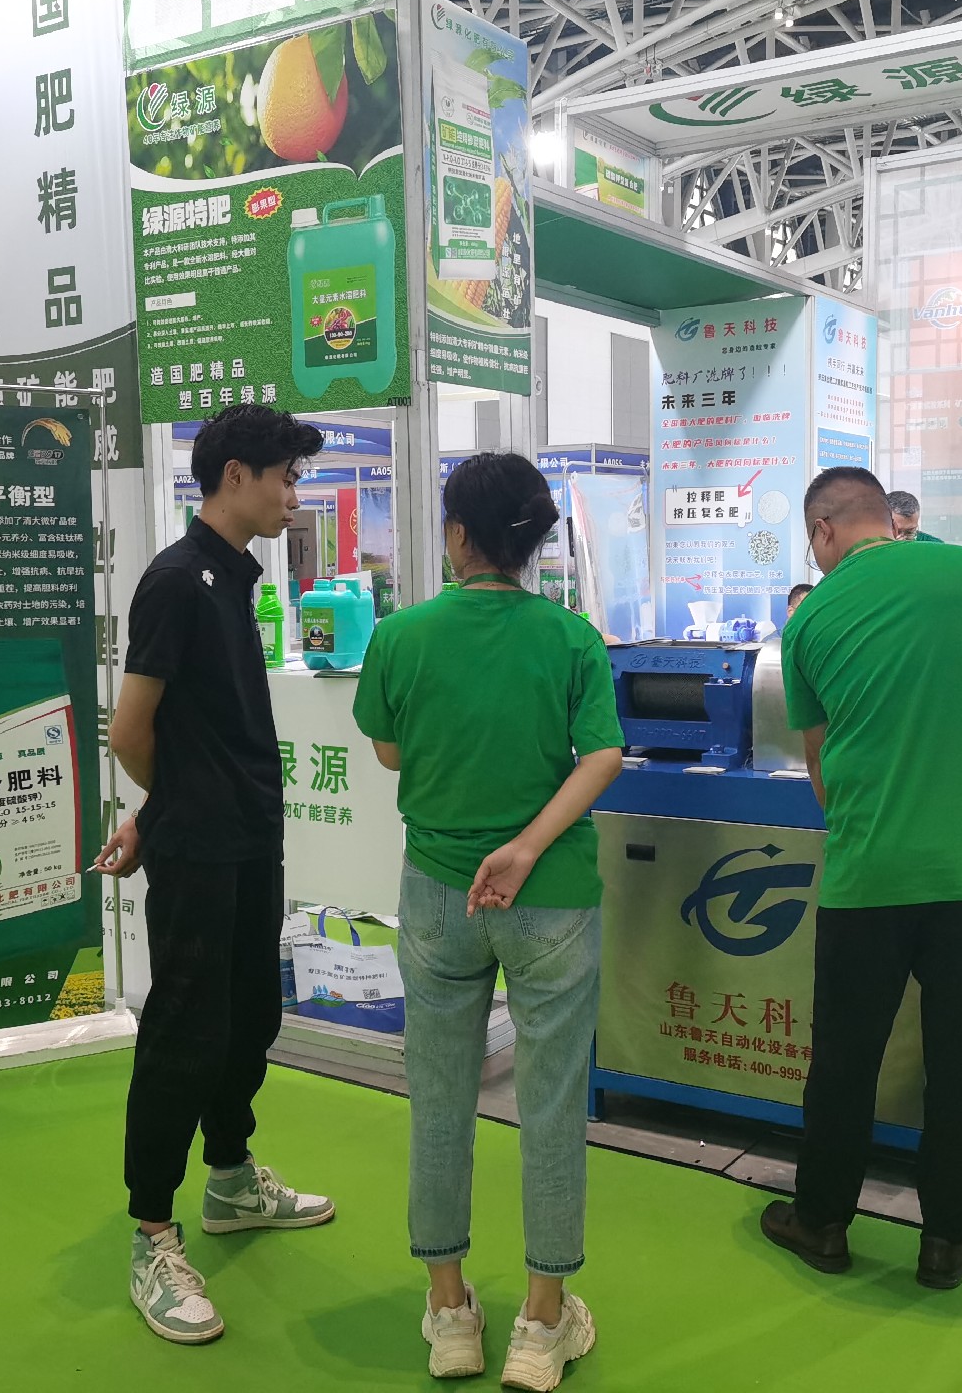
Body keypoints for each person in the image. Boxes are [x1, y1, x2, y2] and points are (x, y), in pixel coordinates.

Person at [760, 468, 962, 1292]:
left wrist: (868, 823)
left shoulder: (810, 617)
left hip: (868, 876)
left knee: (844, 1060)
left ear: (824, 530)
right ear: (884, 517)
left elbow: (821, 762)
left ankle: (822, 1222)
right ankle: (947, 1239)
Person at [355, 452, 623, 1390]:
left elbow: (390, 750)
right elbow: (602, 756)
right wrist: (527, 845)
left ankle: (449, 1312)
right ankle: (542, 1325)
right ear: (532, 541)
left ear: (458, 535)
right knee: (550, 1103)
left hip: (437, 892)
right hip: (551, 893)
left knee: (438, 1099)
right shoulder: (573, 639)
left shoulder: (403, 635)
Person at [93, 404, 333, 1346]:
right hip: (202, 848)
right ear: (237, 475)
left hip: (247, 839)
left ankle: (231, 1178)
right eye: (286, 477)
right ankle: (153, 1231)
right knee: (186, 1030)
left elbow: (193, 729)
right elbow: (130, 731)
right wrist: (171, 814)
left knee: (250, 1015)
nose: (293, 495)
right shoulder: (175, 581)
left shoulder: (232, 577)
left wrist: (158, 810)